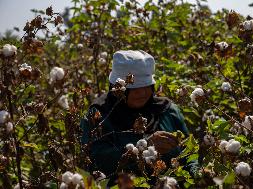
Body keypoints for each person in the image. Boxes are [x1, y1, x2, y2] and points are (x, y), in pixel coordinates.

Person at [80, 50, 196, 186]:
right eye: (134, 88)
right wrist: (145, 148)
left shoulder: (168, 111)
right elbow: (95, 162)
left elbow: (190, 153)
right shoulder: (99, 115)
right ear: (118, 88)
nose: (142, 92)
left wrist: (198, 173)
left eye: (146, 85)